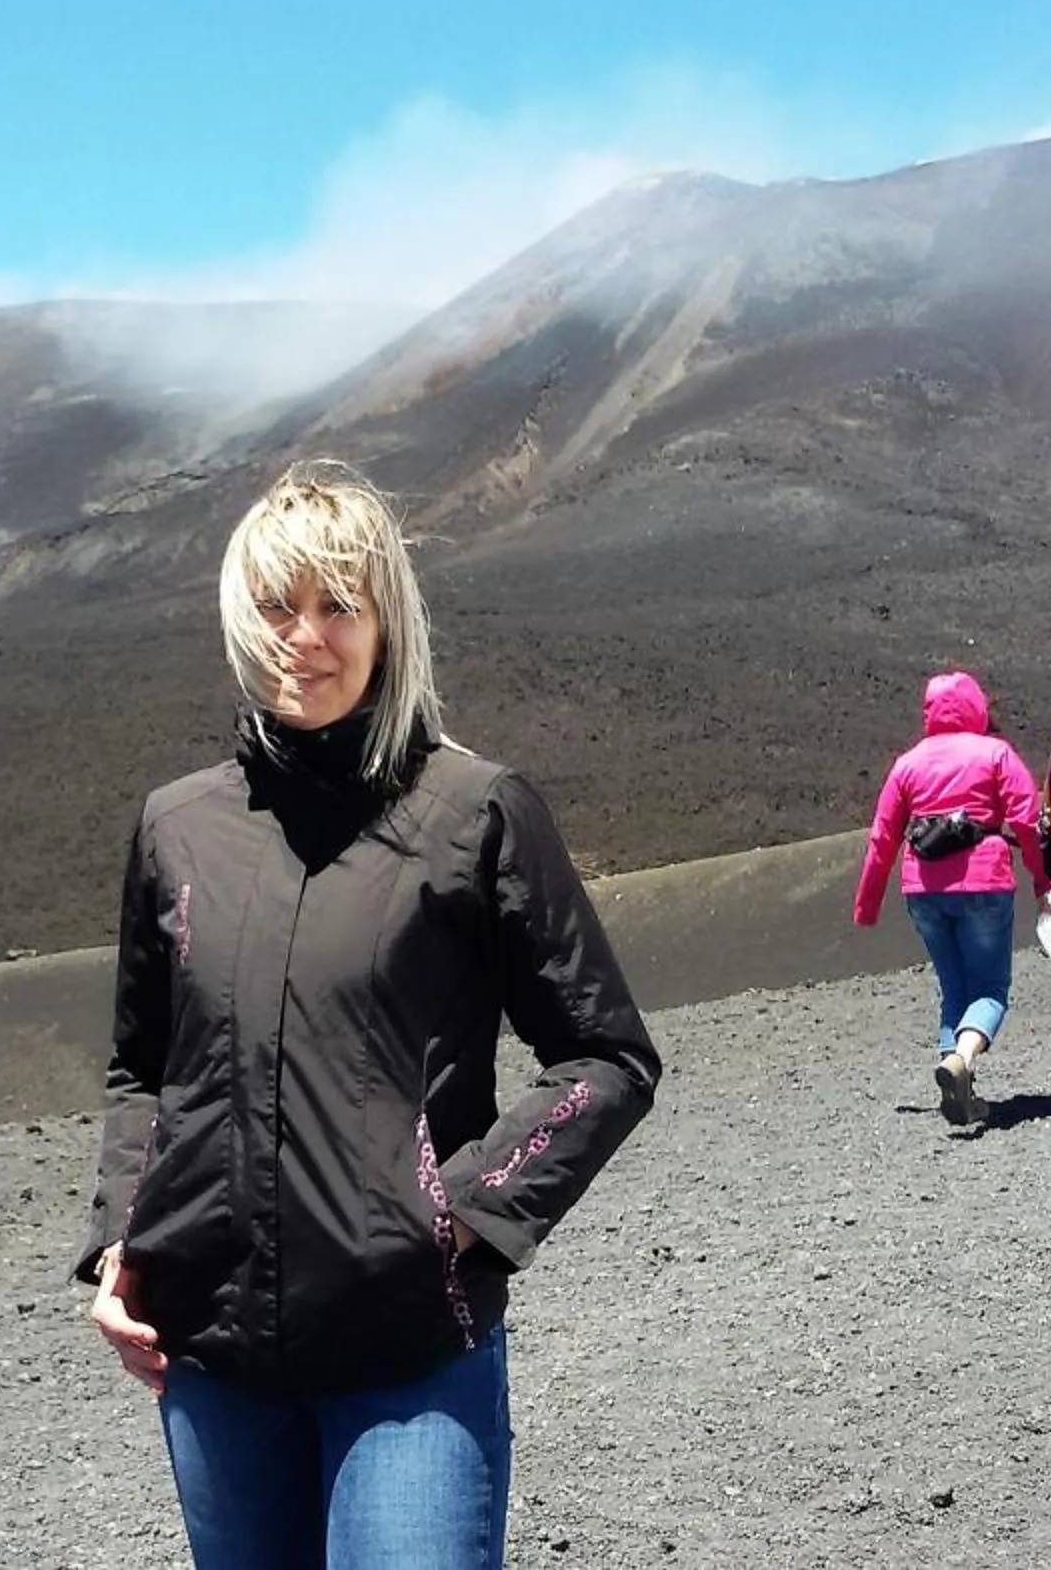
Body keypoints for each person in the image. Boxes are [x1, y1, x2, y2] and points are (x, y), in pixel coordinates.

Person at [79, 462, 662, 1569]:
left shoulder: (473, 811)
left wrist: (461, 1214)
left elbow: (605, 1053)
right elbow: (143, 1069)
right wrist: (122, 1236)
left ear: (387, 622)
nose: (305, 636)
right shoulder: (178, 827)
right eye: (276, 605)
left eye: (339, 604)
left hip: (408, 1348)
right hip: (215, 1354)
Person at [854, 671, 1046, 1126]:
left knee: (953, 986)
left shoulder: (907, 764)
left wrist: (867, 904)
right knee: (991, 989)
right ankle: (962, 1058)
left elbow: (883, 837)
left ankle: (960, 1078)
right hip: (985, 882)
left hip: (923, 889)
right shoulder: (995, 753)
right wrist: (1045, 881)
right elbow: (1027, 820)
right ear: (978, 707)